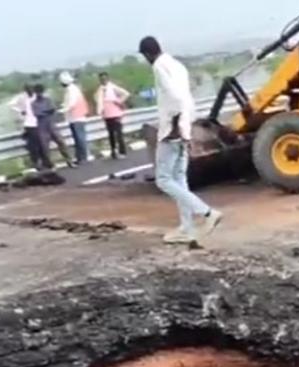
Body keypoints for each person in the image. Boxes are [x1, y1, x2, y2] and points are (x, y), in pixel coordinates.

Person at [138, 35, 223, 244]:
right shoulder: (177, 65)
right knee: (179, 179)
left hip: (172, 131)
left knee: (164, 179)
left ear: (148, 54)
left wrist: (175, 127)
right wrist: (186, 127)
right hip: (184, 128)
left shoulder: (159, 66)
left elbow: (176, 99)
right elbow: (187, 99)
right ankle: (187, 227)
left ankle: (206, 213)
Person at [32, 84, 74, 169]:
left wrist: (46, 112)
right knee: (45, 148)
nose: (39, 94)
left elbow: (53, 110)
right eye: (38, 92)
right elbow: (37, 114)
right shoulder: (33, 103)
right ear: (35, 93)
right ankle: (51, 165)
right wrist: (47, 111)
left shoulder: (48, 100)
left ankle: (69, 161)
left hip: (51, 125)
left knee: (61, 143)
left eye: (40, 92)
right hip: (42, 127)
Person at [9, 84, 49, 170]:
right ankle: (37, 163)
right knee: (34, 145)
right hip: (29, 124)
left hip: (38, 123)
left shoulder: (35, 97)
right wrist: (20, 111)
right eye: (28, 90)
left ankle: (43, 162)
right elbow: (11, 104)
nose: (30, 92)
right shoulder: (22, 97)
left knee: (41, 144)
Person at [95, 72, 130, 159]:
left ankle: (122, 152)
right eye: (101, 79)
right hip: (107, 115)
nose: (103, 80)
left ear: (108, 79)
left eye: (105, 79)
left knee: (118, 133)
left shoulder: (113, 87)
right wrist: (100, 112)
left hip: (116, 114)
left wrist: (118, 101)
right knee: (111, 134)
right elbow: (99, 102)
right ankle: (113, 151)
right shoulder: (100, 90)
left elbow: (126, 93)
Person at [59, 71, 90, 164]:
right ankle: (80, 157)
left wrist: (63, 110)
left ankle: (83, 157)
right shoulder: (71, 89)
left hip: (77, 117)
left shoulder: (71, 90)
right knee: (77, 138)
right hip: (74, 117)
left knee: (80, 138)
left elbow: (72, 103)